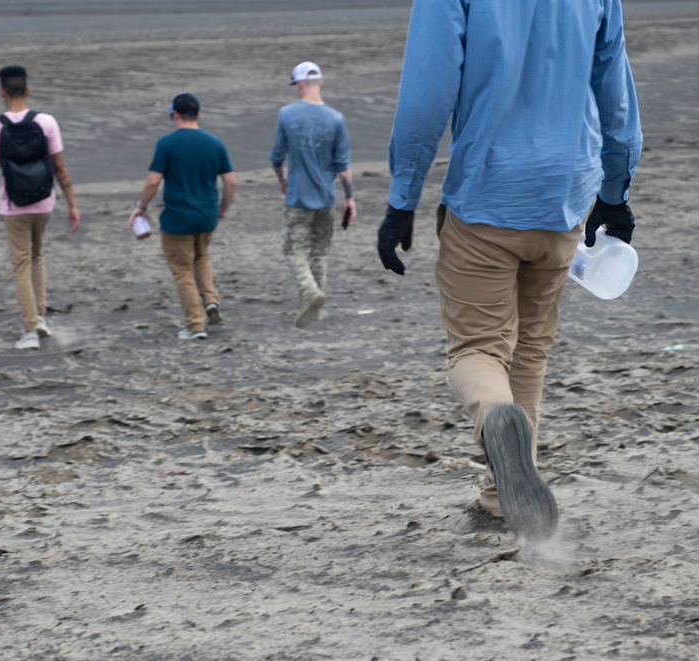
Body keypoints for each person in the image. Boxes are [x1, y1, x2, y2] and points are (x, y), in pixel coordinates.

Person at [377, 0, 642, 540]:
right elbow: (614, 90)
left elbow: (428, 94)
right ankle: (503, 499)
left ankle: (497, 418)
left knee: (477, 349)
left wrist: (402, 199)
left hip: (487, 193)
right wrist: (615, 191)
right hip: (567, 194)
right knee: (529, 350)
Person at [0, 65, 80, 351]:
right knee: (37, 257)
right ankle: (40, 318)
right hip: (44, 202)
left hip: (14, 206)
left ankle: (30, 329)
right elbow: (60, 167)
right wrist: (72, 204)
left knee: (21, 265)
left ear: (1, 92)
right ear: (27, 91)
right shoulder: (47, 122)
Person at [129, 92, 236, 341]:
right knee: (201, 255)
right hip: (207, 215)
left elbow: (153, 180)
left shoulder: (166, 143)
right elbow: (231, 182)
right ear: (198, 115)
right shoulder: (215, 143)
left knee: (182, 270)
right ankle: (210, 301)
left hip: (178, 218)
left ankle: (195, 324)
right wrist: (223, 209)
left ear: (174, 115)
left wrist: (140, 207)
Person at [269, 61, 357, 328]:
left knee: (294, 249)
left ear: (298, 85)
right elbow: (343, 167)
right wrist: (350, 198)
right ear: (318, 82)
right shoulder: (336, 119)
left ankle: (310, 292)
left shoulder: (287, 114)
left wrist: (282, 180)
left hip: (298, 197)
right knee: (319, 252)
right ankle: (317, 310)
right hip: (326, 197)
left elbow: (276, 156)